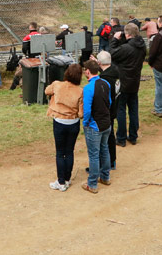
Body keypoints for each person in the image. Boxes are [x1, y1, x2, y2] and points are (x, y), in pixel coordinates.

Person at [44, 63, 83, 191]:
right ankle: (67, 179)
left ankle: (60, 182)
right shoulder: (80, 91)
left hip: (59, 121)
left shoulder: (57, 85)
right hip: (73, 122)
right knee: (69, 151)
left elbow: (46, 91)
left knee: (60, 153)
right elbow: (81, 113)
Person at [111, 22, 145, 147]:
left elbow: (113, 54)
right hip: (134, 81)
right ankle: (133, 136)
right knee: (133, 109)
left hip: (124, 82)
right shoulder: (141, 46)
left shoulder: (127, 48)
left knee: (120, 109)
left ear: (128, 34)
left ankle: (121, 137)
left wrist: (115, 39)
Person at [81, 58, 113, 194]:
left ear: (87, 71)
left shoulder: (88, 88)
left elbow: (87, 110)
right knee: (104, 150)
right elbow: (110, 101)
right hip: (106, 123)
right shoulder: (106, 83)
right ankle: (105, 177)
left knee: (94, 155)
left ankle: (92, 183)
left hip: (94, 126)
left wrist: (85, 123)